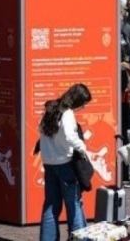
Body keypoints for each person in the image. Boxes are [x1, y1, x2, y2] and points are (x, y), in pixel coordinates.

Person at [37, 83, 92, 241]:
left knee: (51, 205)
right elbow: (69, 136)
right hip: (65, 163)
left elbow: (41, 130)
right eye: (83, 104)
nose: (83, 108)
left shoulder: (51, 108)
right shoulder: (67, 113)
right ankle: (78, 238)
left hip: (49, 162)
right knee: (73, 205)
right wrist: (82, 148)